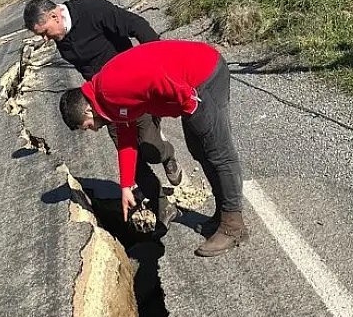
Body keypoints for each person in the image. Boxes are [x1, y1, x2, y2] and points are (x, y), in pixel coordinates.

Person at [58, 40, 248, 257]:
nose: (92, 131)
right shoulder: (105, 99)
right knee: (199, 150)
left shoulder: (110, 89)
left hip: (204, 76)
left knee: (217, 151)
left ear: (88, 112)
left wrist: (188, 102)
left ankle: (233, 226)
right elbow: (126, 137)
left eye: (87, 127)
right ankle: (222, 213)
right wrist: (126, 185)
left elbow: (155, 76)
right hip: (192, 82)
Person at [23, 0, 182, 227]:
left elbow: (136, 24)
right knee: (128, 156)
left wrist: (160, 60)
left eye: (45, 32)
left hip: (135, 91)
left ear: (55, 16)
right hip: (103, 103)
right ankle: (162, 205)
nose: (46, 40)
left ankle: (167, 155)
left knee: (150, 149)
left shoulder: (92, 10)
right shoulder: (61, 38)